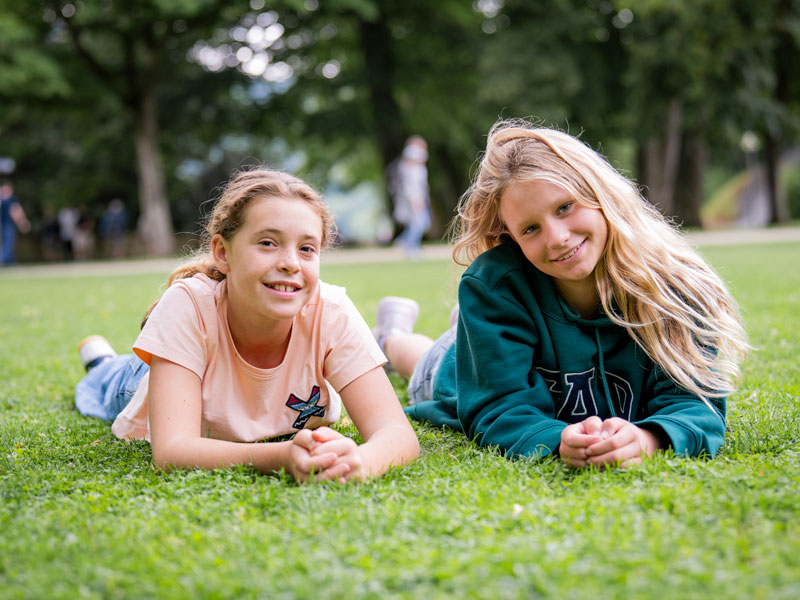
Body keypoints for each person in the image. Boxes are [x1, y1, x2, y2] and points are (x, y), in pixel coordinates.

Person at [373, 118, 750, 469]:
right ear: (512, 238)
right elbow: (499, 409)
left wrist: (648, 438)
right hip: (462, 368)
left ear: (601, 193)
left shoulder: (673, 284)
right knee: (428, 360)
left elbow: (695, 404)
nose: (557, 238)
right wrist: (557, 440)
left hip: (512, 325)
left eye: (565, 207)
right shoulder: (495, 284)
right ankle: (391, 337)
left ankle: (459, 326)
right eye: (531, 229)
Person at [74, 167, 419, 483]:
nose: (289, 263)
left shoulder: (331, 312)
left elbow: (397, 433)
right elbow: (172, 451)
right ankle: (101, 361)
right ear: (222, 253)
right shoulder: (187, 305)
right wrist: (282, 456)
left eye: (306, 248)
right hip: (144, 381)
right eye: (268, 243)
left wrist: (360, 462)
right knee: (111, 378)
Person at [390, 135, 432, 258]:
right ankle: (411, 246)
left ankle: (403, 241)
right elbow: (411, 187)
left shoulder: (418, 168)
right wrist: (415, 201)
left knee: (420, 223)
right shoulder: (411, 169)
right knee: (420, 222)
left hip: (417, 198)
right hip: (414, 199)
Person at [0, 182, 31, 265]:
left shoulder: (11, 200)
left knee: (8, 245)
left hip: (8, 225)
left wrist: (22, 222)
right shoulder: (6, 200)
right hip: (5, 226)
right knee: (7, 245)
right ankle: (6, 261)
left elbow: (16, 211)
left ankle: (8, 261)